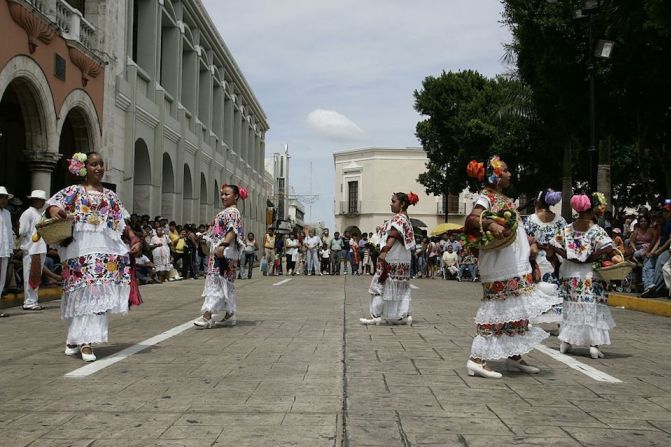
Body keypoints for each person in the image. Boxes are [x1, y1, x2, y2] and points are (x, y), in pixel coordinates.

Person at [464, 156, 560, 379]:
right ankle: (476, 359)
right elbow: (472, 220)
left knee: (517, 310)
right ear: (495, 176)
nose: (510, 174)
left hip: (516, 265)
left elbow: (517, 231)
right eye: (505, 171)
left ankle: (514, 354)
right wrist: (491, 224)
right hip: (500, 266)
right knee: (498, 311)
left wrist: (532, 250)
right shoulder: (486, 197)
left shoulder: (504, 199)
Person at [45, 152, 142, 361]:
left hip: (105, 251)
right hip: (79, 250)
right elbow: (53, 204)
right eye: (93, 164)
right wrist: (55, 212)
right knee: (81, 293)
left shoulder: (110, 195)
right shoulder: (74, 191)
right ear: (84, 168)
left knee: (97, 295)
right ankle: (83, 340)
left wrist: (134, 239)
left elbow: (123, 222)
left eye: (101, 165)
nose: (98, 168)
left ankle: (81, 340)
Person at [548, 193, 616, 359]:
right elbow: (610, 250)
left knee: (571, 307)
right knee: (592, 308)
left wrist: (559, 264)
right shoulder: (597, 231)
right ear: (592, 210)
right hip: (590, 276)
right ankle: (593, 346)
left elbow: (551, 249)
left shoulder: (566, 230)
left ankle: (566, 342)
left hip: (570, 274)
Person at [360, 192, 418, 325]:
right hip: (401, 259)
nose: (391, 204)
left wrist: (384, 251)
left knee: (380, 285)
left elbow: (394, 234)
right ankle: (402, 316)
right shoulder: (405, 219)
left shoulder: (399, 219)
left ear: (402, 204)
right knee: (401, 287)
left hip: (392, 258)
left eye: (393, 201)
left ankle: (376, 316)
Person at [194, 184, 245, 328]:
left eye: (227, 194)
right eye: (222, 194)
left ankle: (207, 316)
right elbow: (215, 233)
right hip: (219, 251)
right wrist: (202, 238)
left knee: (217, 282)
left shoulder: (233, 212)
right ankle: (229, 314)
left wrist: (223, 245)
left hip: (224, 253)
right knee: (225, 283)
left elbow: (232, 230)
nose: (223, 197)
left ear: (235, 196)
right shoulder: (225, 212)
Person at [523, 188, 567, 324]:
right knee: (556, 288)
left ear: (537, 202)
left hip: (535, 260)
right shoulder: (561, 221)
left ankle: (532, 319)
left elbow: (525, 241)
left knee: (534, 288)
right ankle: (559, 320)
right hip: (554, 260)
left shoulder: (531, 219)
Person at [19, 190, 48, 311]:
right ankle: (28, 301)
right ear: (34, 200)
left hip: (39, 248)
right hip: (31, 249)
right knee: (29, 276)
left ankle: (33, 300)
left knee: (36, 275)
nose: (42, 202)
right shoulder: (28, 213)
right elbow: (22, 231)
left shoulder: (40, 213)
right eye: (40, 200)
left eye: (43, 200)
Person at [0, 187, 13, 303]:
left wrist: (10, 250)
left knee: (1, 280)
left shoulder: (7, 213)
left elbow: (9, 233)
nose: (3, 200)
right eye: (1, 198)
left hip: (4, 251)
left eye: (5, 198)